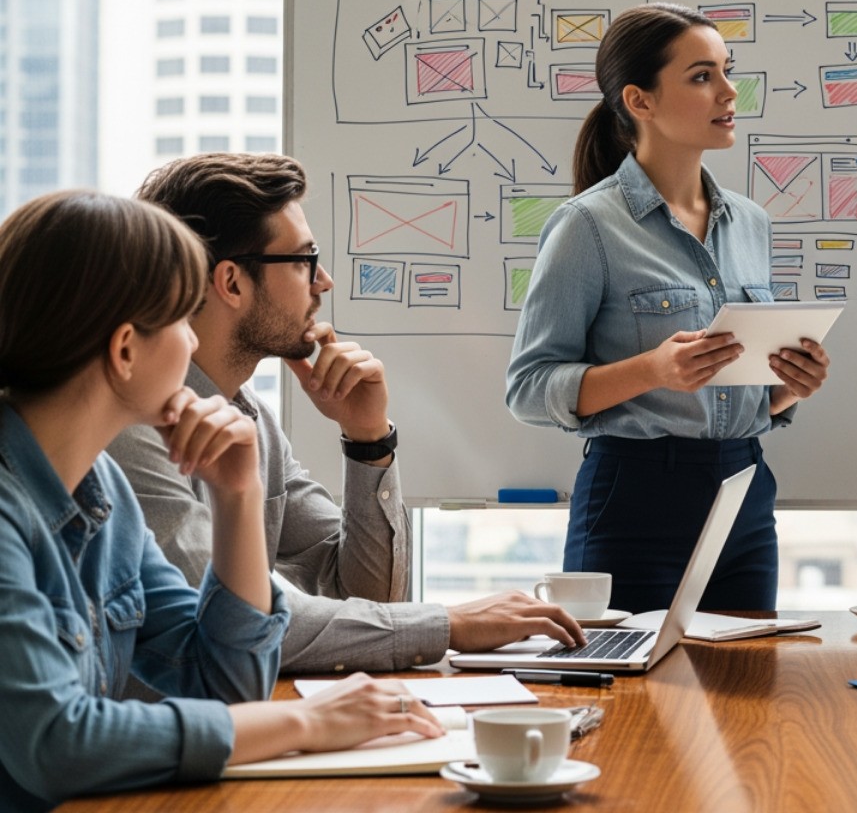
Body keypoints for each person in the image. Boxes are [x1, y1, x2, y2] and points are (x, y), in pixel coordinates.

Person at [0, 191, 446, 811]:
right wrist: (308, 724)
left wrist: (236, 495)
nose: (192, 344)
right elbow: (56, 744)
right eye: (183, 320)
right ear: (126, 349)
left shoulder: (104, 495)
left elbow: (225, 685)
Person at [111, 153, 583, 676]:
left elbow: (368, 592)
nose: (324, 282)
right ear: (232, 283)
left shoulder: (253, 422)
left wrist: (367, 439)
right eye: (303, 260)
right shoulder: (133, 434)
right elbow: (227, 623)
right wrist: (446, 624)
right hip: (176, 743)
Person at [506, 3, 832, 614]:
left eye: (727, 71)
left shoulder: (751, 223)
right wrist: (652, 371)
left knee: (745, 701)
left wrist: (790, 388)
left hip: (745, 493)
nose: (730, 92)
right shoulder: (587, 226)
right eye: (702, 76)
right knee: (633, 705)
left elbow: (741, 393)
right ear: (640, 100)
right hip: (634, 500)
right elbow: (528, 388)